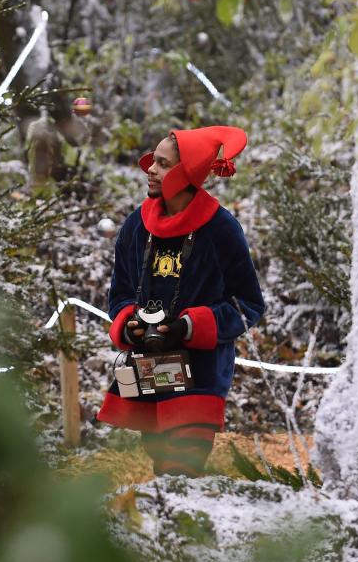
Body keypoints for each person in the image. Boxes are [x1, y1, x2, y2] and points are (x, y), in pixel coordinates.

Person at [96, 126, 265, 477]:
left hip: (201, 372)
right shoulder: (134, 226)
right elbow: (120, 293)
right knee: (161, 464)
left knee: (181, 469)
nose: (150, 170)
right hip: (149, 366)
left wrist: (189, 326)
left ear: (187, 173)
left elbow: (248, 304)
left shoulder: (221, 230)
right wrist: (129, 323)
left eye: (162, 163)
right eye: (152, 162)